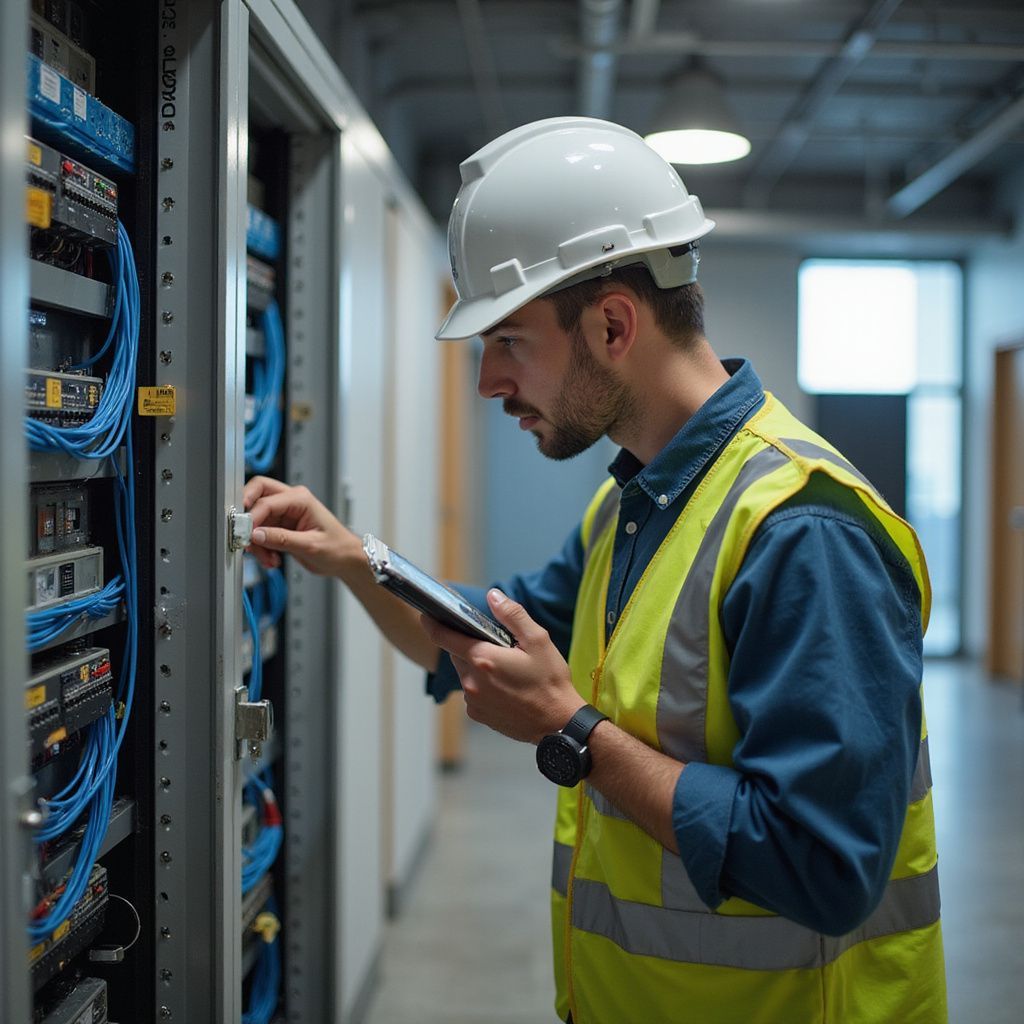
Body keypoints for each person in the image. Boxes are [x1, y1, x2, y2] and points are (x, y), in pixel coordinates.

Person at [243, 117, 946, 1023]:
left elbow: (824, 863)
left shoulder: (804, 531)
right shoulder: (634, 505)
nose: (489, 381)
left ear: (614, 322)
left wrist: (571, 732)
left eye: (510, 341)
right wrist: (356, 558)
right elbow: (483, 643)